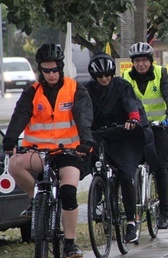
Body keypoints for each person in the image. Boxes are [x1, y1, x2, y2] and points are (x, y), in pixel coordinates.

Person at [2, 43, 93, 258]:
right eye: (46, 70)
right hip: (39, 152)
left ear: (60, 68)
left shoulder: (75, 89)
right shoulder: (32, 92)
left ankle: (70, 243)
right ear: (40, 70)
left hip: (69, 152)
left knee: (68, 192)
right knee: (14, 164)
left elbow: (84, 117)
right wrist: (10, 139)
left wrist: (86, 140)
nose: (51, 74)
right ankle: (36, 200)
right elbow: (19, 116)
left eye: (54, 70)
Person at [86, 50, 157, 242]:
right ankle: (99, 195)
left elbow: (130, 103)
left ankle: (131, 222)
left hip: (124, 134)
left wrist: (133, 119)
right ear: (94, 76)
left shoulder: (122, 86)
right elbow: (83, 110)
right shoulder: (87, 89)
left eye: (108, 75)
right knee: (93, 164)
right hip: (100, 134)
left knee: (125, 174)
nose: (104, 79)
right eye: (100, 76)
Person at [123, 42, 168, 229]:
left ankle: (164, 212)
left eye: (144, 61)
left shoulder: (161, 73)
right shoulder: (125, 77)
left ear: (150, 61)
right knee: (130, 167)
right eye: (137, 61)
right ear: (132, 63)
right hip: (136, 129)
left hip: (158, 127)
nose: (141, 64)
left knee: (160, 167)